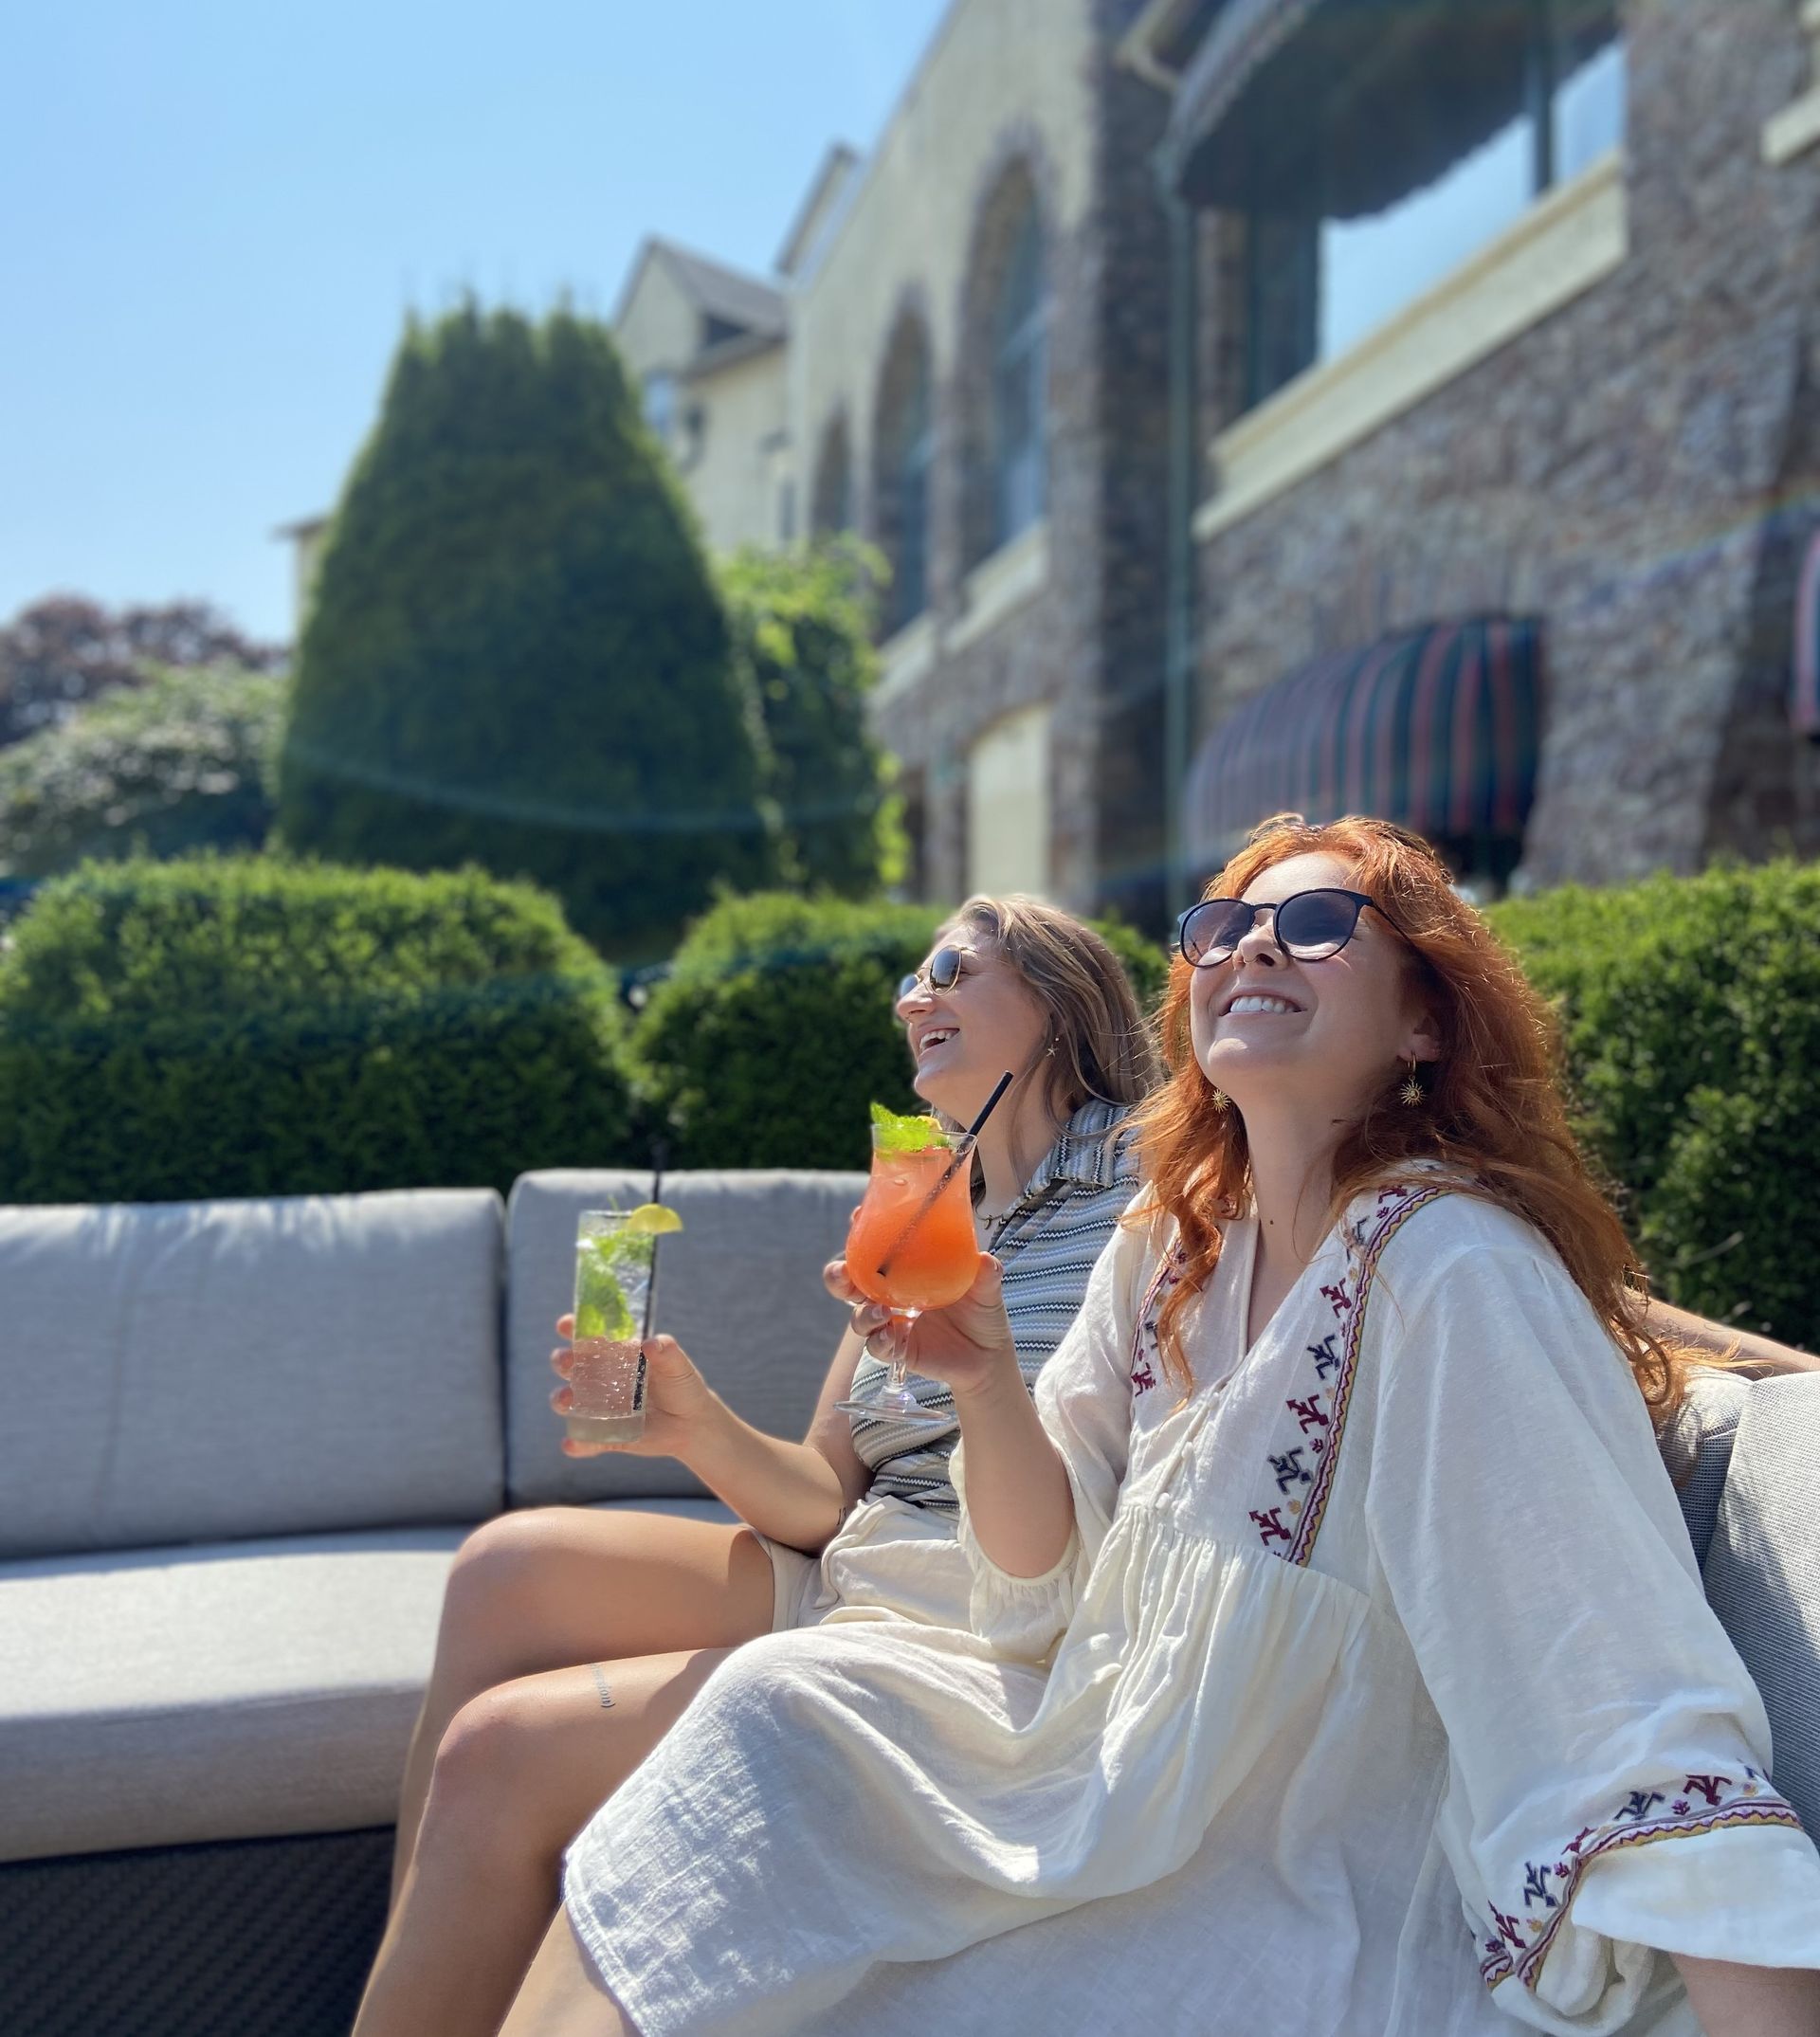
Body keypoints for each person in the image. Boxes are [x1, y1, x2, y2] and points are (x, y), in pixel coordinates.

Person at [518, 816, 1820, 2037]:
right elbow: (1043, 1587)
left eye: (1317, 921)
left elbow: (1615, 1698)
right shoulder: (1172, 1245)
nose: (1251, 942)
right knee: (778, 1706)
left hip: (1320, 1869)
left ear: (1425, 1019)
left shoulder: (1449, 1269)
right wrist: (981, 1383)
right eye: (1221, 926)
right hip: (1107, 1767)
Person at [352, 897, 1161, 2037]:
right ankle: (425, 1974)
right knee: (504, 1566)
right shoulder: (922, 1199)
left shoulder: (1148, 1180)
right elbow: (827, 1497)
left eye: (947, 967)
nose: (909, 996)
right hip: (867, 1566)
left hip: (987, 1602)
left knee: (499, 1750)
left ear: (1056, 998)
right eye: (910, 980)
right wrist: (693, 1425)